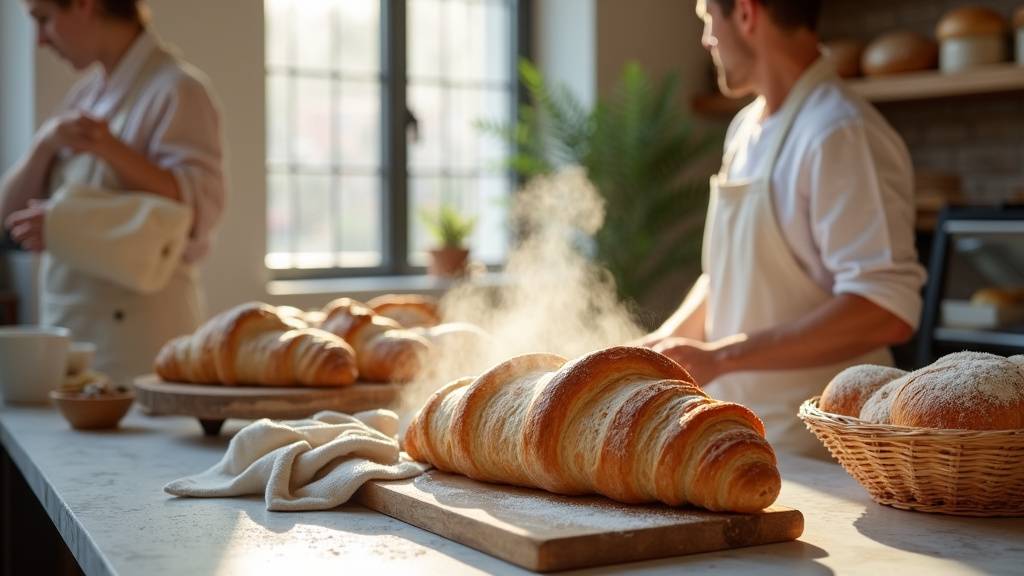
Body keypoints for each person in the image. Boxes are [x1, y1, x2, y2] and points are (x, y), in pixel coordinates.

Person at [639, 0, 926, 455]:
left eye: (709, 21)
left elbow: (884, 309)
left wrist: (721, 356)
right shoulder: (744, 130)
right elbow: (726, 279)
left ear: (748, 14)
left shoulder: (839, 131)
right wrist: (658, 349)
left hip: (823, 448)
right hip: (740, 435)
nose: (706, 39)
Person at [0, 0, 225, 386]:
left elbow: (196, 213)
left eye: (44, 19)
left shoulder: (178, 90)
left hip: (137, 348)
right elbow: (8, 217)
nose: (39, 41)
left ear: (85, 5)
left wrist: (108, 149)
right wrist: (45, 145)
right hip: (69, 334)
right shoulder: (84, 97)